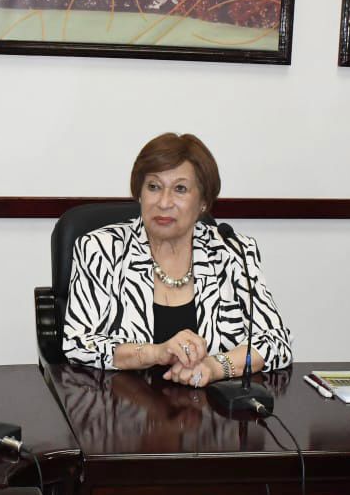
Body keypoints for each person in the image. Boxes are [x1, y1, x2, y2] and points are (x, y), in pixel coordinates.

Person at [62, 133, 293, 386]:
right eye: (153, 187)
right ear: (139, 194)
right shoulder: (101, 249)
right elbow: (78, 343)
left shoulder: (232, 252)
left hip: (212, 406)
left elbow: (276, 342)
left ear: (203, 202)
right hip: (121, 404)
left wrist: (214, 367)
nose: (164, 202)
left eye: (180, 189)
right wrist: (155, 353)